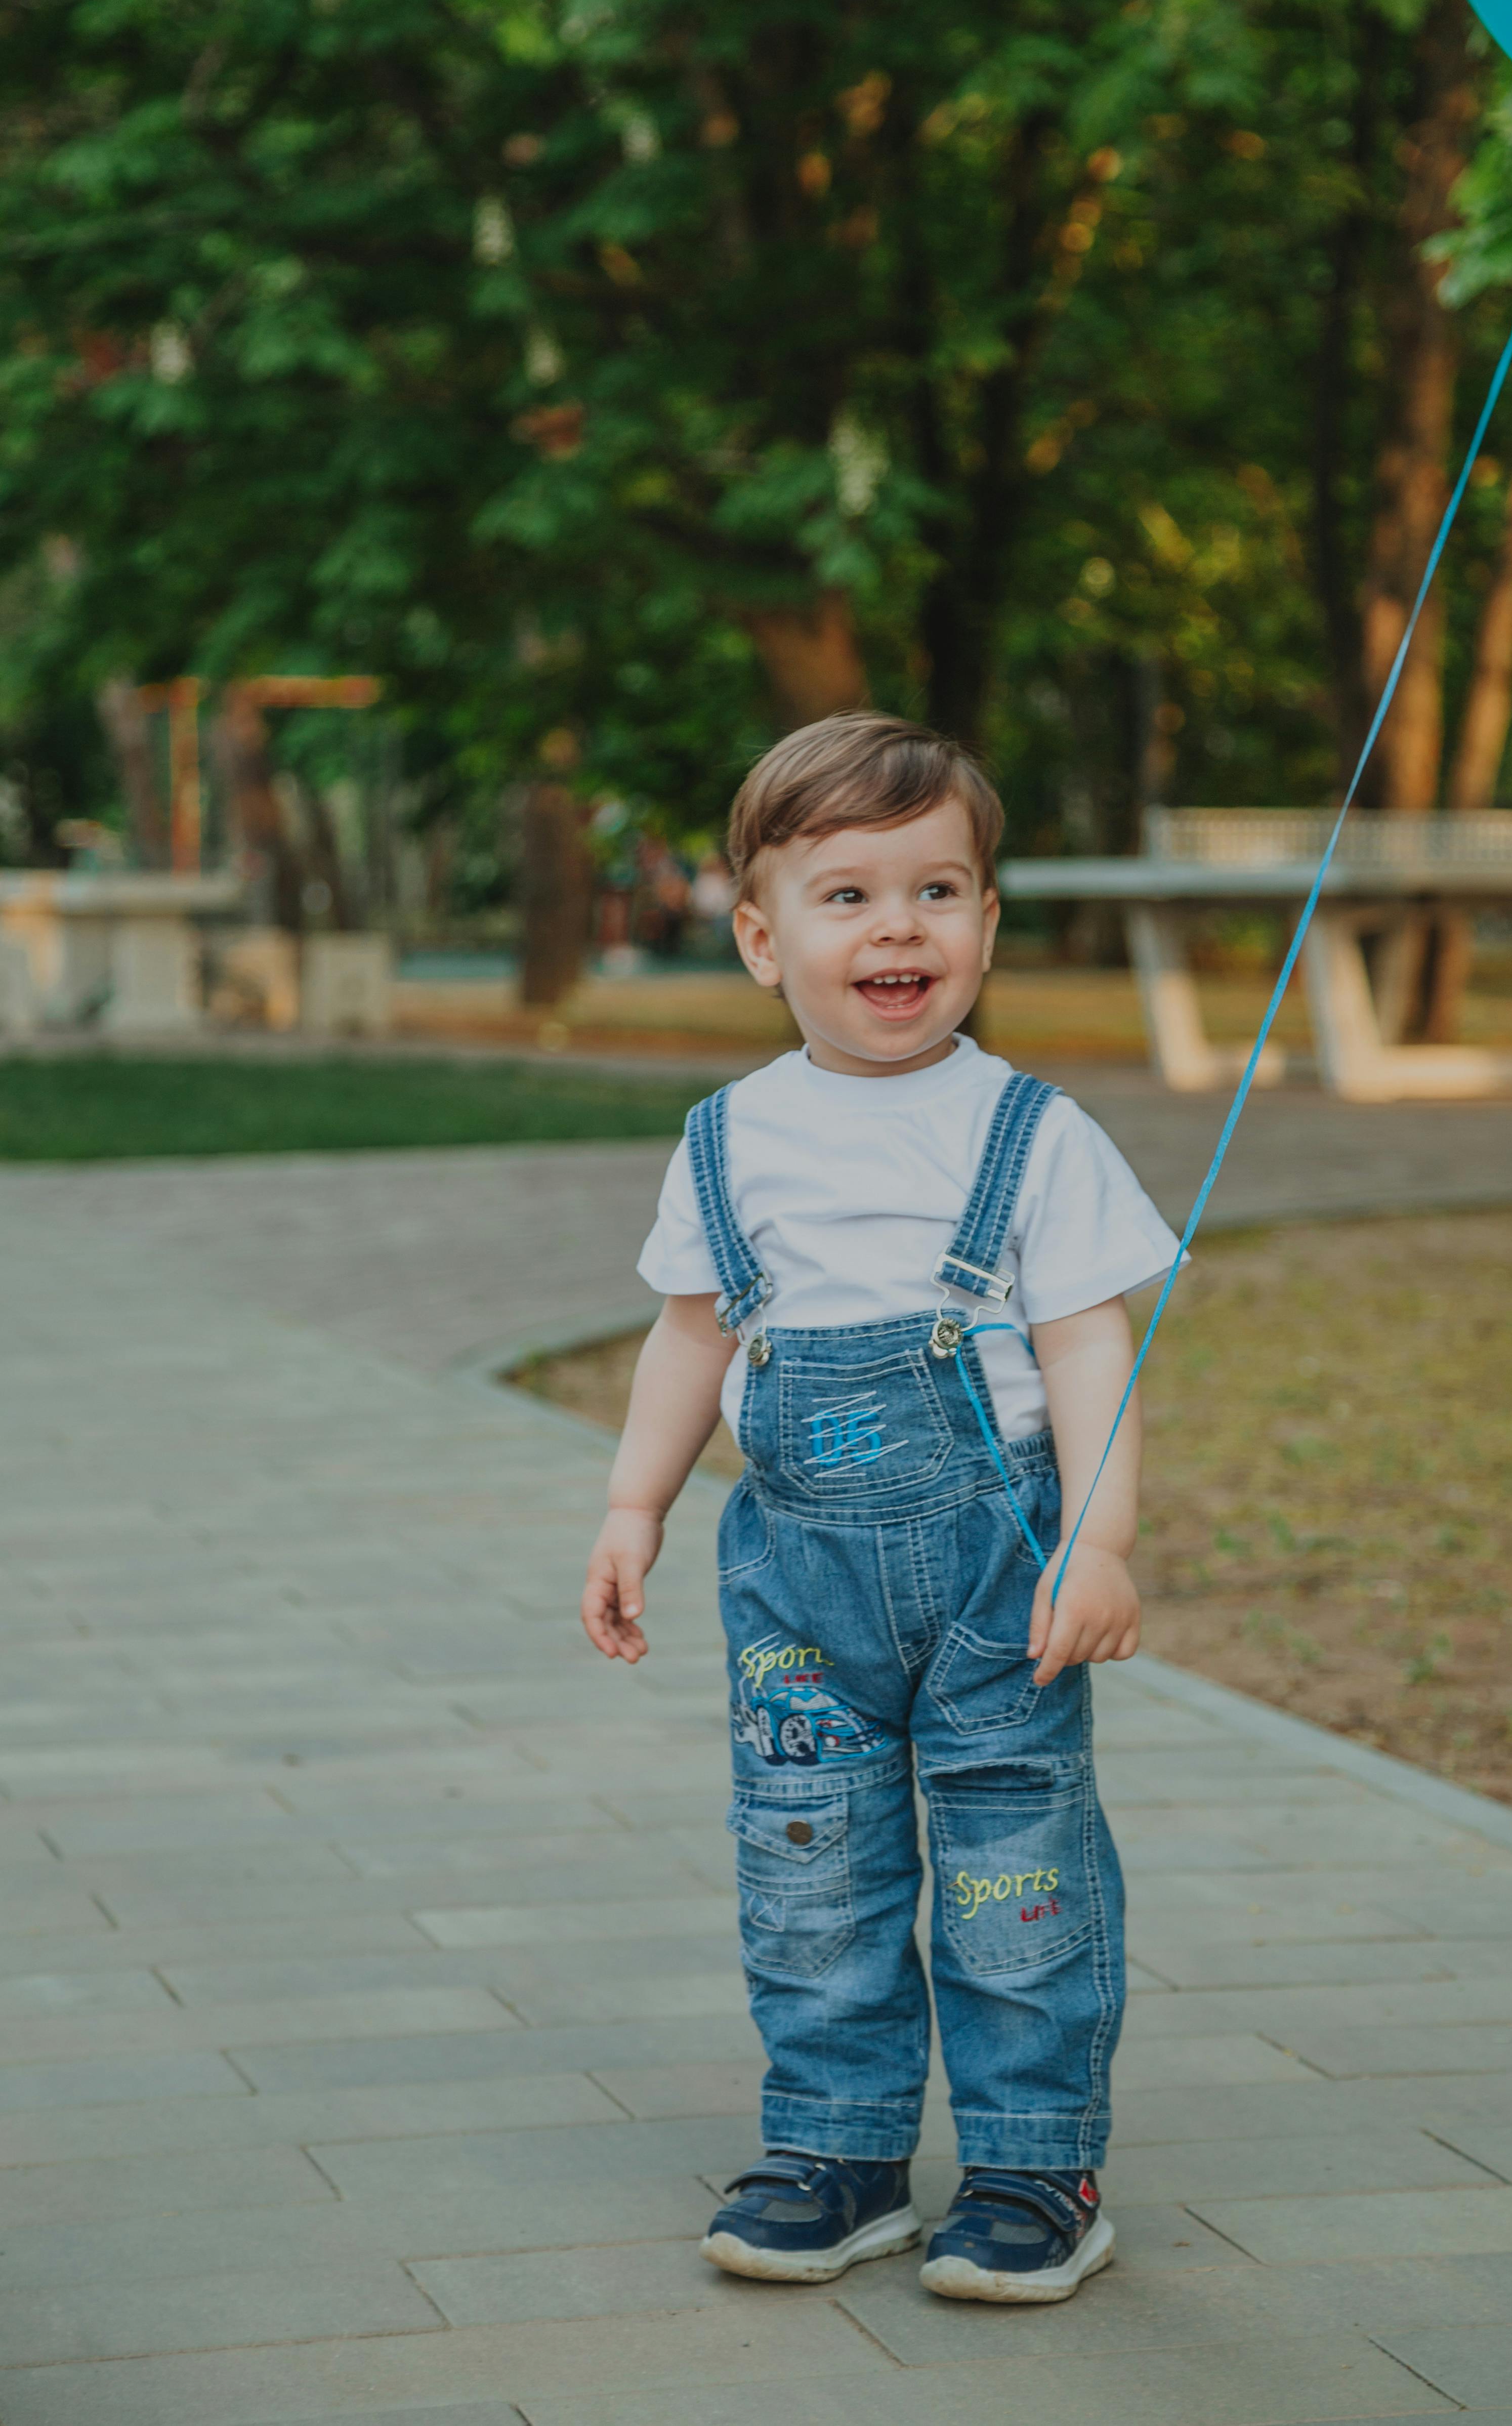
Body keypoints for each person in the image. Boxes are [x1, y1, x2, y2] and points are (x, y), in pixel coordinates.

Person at [579, 714, 1178, 2305]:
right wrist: (634, 1504)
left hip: (1002, 1581)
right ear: (765, 939)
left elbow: (1087, 1339)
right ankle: (838, 2148)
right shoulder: (730, 1138)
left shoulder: (1031, 1132)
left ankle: (1035, 2163)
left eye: (938, 888)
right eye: (848, 896)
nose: (897, 925)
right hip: (797, 1590)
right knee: (808, 1867)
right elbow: (696, 1332)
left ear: (988, 921)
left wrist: (1102, 1537)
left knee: (1013, 1871)